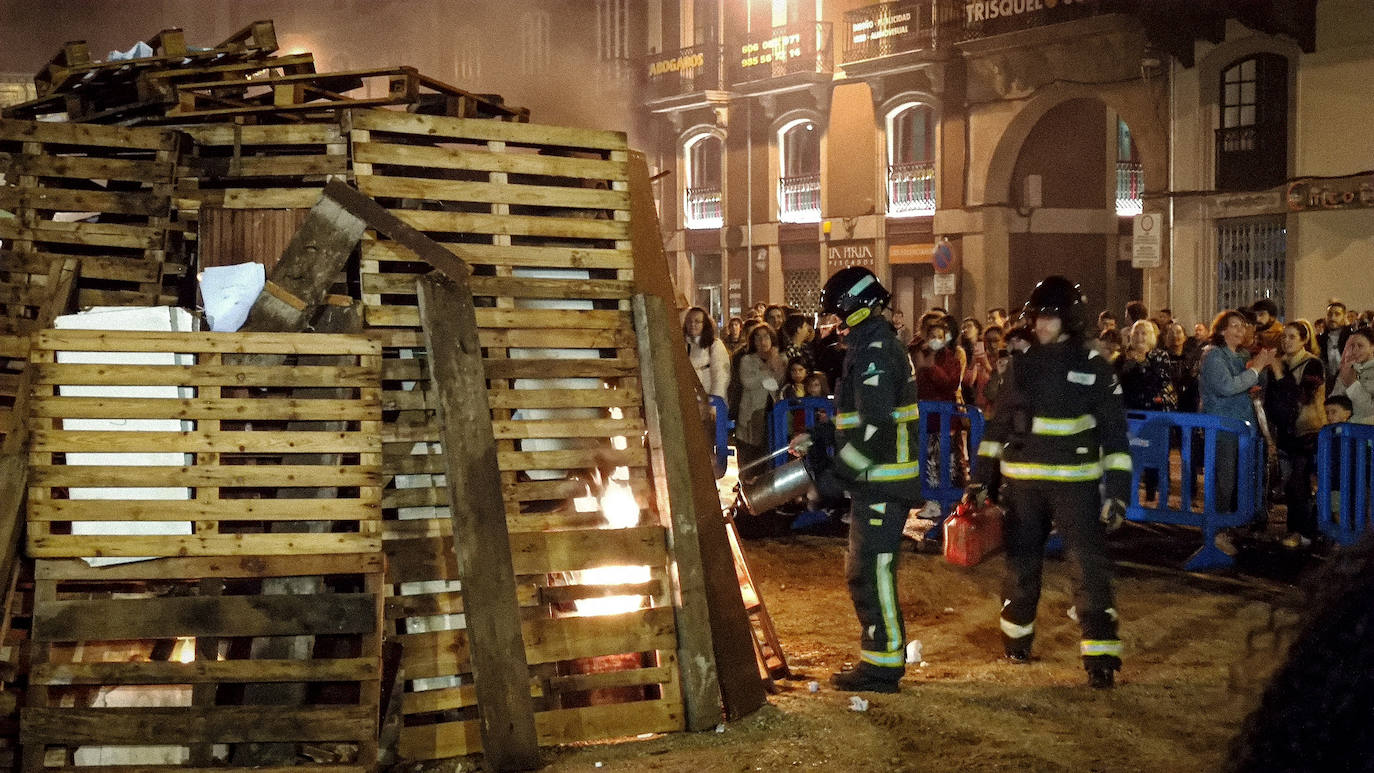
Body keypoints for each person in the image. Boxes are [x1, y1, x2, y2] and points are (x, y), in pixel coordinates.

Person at [966, 275, 1132, 689]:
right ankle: (1016, 642)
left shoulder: (1095, 367)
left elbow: (1115, 437)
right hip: (1022, 486)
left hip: (1075, 485)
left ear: (1070, 320)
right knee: (1020, 566)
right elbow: (998, 427)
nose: (1039, 325)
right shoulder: (1022, 365)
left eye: (1049, 318)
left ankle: (1100, 657)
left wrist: (1117, 494)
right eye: (1037, 317)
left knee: (1087, 568)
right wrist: (980, 480)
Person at [807, 267, 922, 694]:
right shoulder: (869, 346)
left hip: (882, 482)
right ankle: (880, 659)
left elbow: (875, 429)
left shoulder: (875, 350)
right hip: (875, 481)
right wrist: (823, 435)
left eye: (837, 314)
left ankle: (883, 666)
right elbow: (861, 416)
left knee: (873, 572)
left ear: (855, 308)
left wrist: (837, 476)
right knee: (865, 570)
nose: (833, 324)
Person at [1200, 310, 1277, 511]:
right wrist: (1255, 369)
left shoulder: (1243, 355)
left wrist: (1263, 367)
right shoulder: (1214, 355)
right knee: (1224, 479)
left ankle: (1238, 517)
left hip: (1244, 424)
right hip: (1223, 426)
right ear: (1222, 330)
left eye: (1243, 326)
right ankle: (1217, 521)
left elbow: (1252, 383)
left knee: (1242, 477)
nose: (1240, 330)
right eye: (1234, 326)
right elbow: (1226, 386)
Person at [1262, 320, 1326, 548]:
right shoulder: (1279, 363)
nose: (1286, 341)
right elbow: (1272, 399)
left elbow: (1303, 396)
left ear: (1304, 339)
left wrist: (1280, 375)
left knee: (1299, 482)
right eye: (1284, 337)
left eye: (1292, 337)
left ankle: (1304, 532)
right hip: (1285, 433)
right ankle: (1294, 529)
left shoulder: (1312, 364)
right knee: (1289, 483)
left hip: (1307, 431)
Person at [735, 324, 787, 468]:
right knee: (750, 455)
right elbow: (748, 382)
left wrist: (770, 366)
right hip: (751, 413)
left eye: (766, 337)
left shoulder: (781, 359)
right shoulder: (747, 360)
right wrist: (767, 368)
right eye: (758, 338)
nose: (762, 341)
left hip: (774, 412)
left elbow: (777, 383)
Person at [1117, 319, 1178, 412]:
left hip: (1156, 408)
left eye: (1143, 333)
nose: (1139, 337)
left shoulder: (1160, 355)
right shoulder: (1122, 358)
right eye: (1136, 333)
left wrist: (1142, 362)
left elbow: (1163, 382)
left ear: (1150, 336)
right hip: (1130, 409)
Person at [683, 306, 730, 400]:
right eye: (689, 321)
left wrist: (714, 401)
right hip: (688, 401)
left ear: (704, 324)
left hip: (709, 400)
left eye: (697, 321)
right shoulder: (683, 346)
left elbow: (720, 377)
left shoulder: (715, 345)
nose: (692, 324)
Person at [1330, 327, 1374, 424]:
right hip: (1346, 428)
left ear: (1372, 347)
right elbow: (1333, 400)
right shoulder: (1349, 369)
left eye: (1360, 346)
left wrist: (1352, 384)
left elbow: (1369, 411)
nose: (1355, 350)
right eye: (1352, 346)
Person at [1320, 300, 1351, 392]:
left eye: (1337, 314)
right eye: (1329, 314)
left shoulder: (1352, 338)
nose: (1332, 318)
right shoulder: (1320, 340)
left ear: (1344, 316)